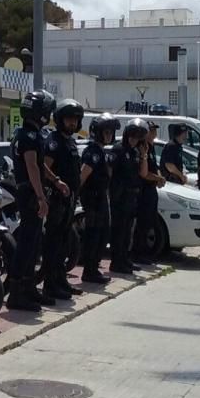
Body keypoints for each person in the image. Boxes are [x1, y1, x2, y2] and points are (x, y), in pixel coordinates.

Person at [6, 90, 66, 311]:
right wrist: (41, 196)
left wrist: (55, 180)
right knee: (27, 244)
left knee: (33, 244)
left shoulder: (29, 134)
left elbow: (40, 166)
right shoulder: (28, 136)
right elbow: (32, 167)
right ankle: (17, 293)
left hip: (31, 193)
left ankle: (29, 288)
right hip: (29, 194)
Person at [41, 99, 85, 300]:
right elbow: (44, 166)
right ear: (60, 120)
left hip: (69, 200)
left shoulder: (70, 141)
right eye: (69, 119)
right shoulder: (54, 141)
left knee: (64, 244)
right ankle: (50, 285)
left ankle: (61, 282)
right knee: (53, 245)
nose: (72, 123)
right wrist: (56, 183)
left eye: (76, 119)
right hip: (57, 200)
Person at [79, 114, 119, 284]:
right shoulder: (92, 152)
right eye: (106, 132)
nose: (109, 135)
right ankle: (89, 270)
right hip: (93, 200)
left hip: (101, 198)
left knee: (103, 235)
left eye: (111, 132)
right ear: (98, 132)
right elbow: (82, 176)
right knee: (94, 235)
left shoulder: (101, 151)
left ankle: (94, 268)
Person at [108, 118, 149, 275]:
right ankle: (117, 262)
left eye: (138, 137)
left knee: (127, 232)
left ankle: (125, 259)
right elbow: (109, 172)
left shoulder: (135, 152)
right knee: (118, 231)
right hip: (119, 197)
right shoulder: (118, 149)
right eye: (132, 136)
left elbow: (143, 173)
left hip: (132, 196)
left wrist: (144, 155)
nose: (134, 140)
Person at [132, 121, 164, 265]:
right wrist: (158, 178)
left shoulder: (150, 147)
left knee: (150, 223)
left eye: (154, 130)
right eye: (151, 131)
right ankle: (138, 254)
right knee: (142, 224)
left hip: (151, 189)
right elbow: (143, 173)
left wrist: (158, 177)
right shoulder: (141, 148)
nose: (153, 133)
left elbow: (154, 168)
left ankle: (145, 253)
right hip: (143, 191)